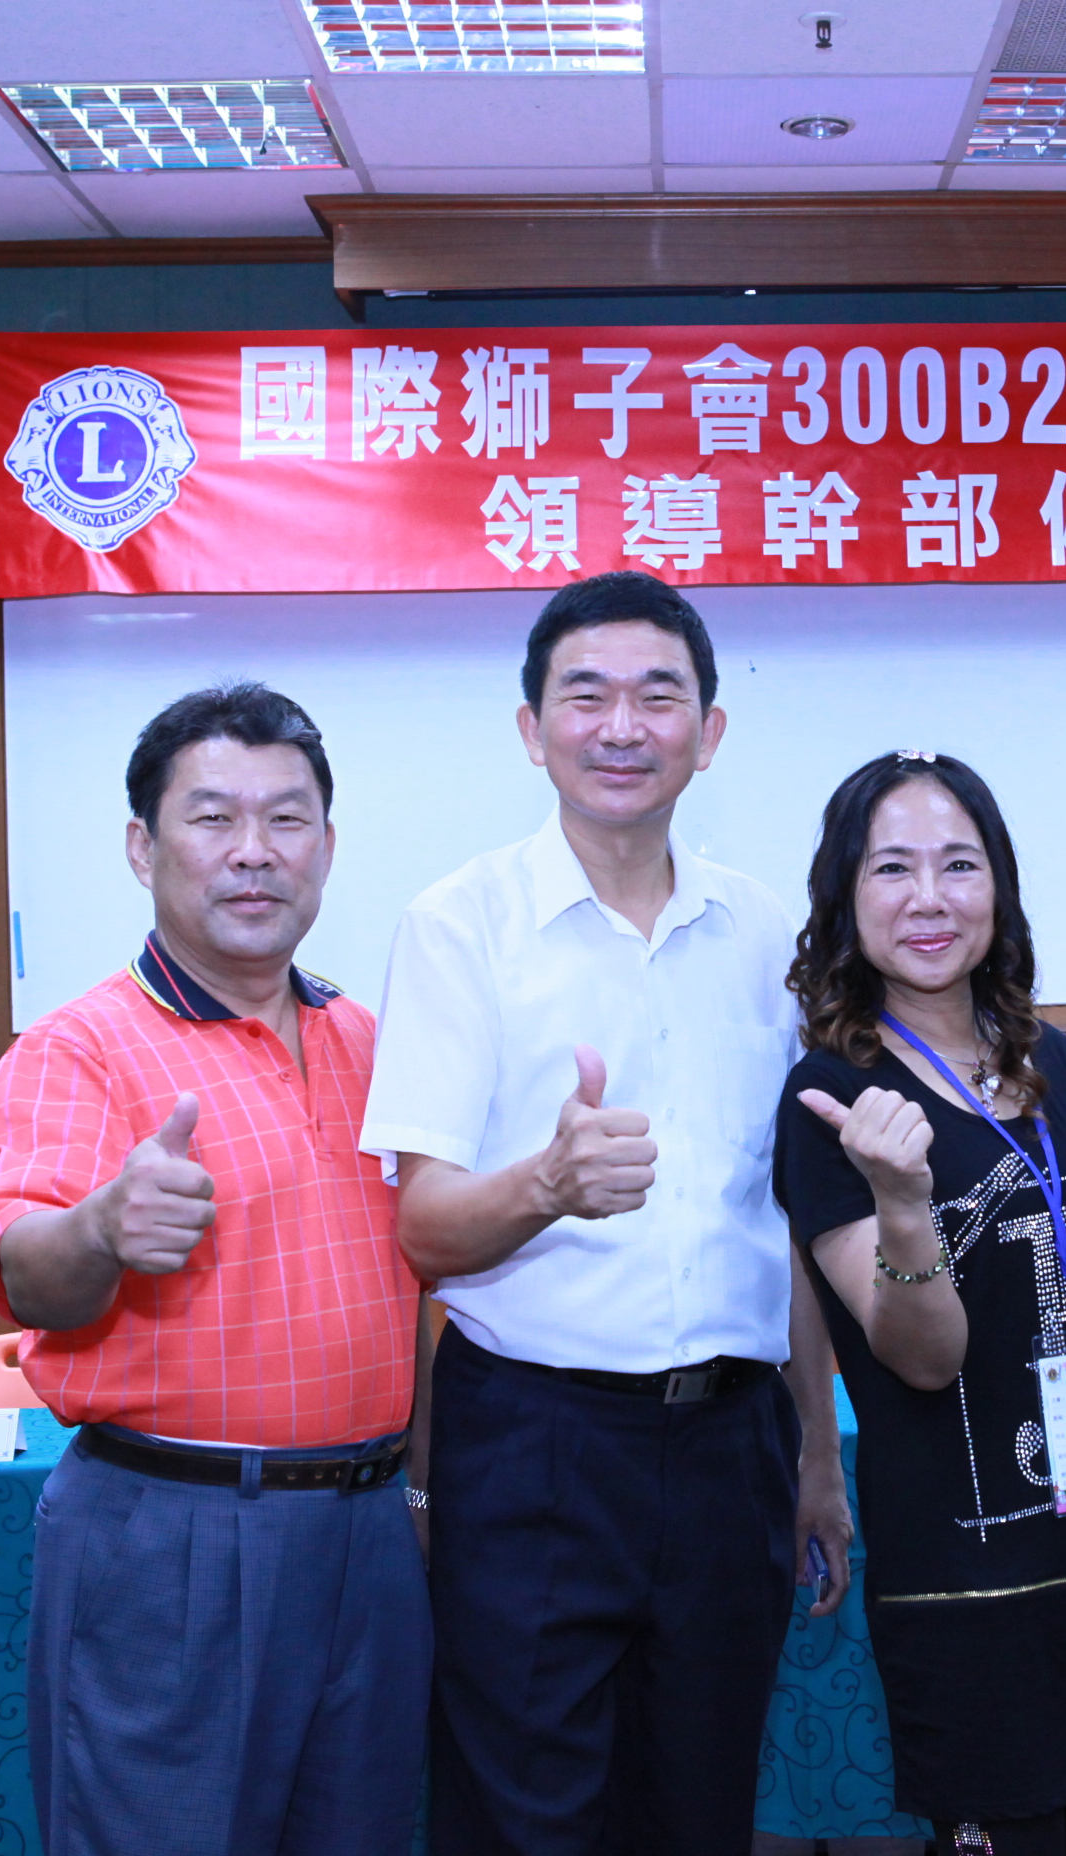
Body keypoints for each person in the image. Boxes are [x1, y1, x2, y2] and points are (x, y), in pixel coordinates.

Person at [360, 571, 852, 1856]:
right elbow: (422, 1231)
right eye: (586, 695)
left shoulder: (764, 931)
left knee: (701, 1813)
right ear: (533, 729)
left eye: (657, 695)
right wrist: (549, 1184)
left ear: (710, 730)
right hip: (537, 1442)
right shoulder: (458, 925)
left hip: (734, 1443)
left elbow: (785, 1221)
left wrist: (814, 1453)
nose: (622, 726)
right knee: (521, 1822)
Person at [0, 682, 429, 1856]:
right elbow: (30, 1275)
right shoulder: (77, 1049)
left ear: (327, 845)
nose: (253, 852)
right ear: (144, 847)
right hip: (174, 1536)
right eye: (214, 817)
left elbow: (422, 1296)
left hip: (373, 1532)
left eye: (287, 819)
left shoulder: (370, 1041)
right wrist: (102, 1226)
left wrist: (418, 1502)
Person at [776, 750, 1066, 1856]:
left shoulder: (1054, 1062)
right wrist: (902, 1206)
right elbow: (920, 1358)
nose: (929, 897)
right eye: (892, 868)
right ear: (844, 897)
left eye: (959, 864)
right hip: (967, 1560)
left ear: (1000, 887)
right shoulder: (832, 1096)